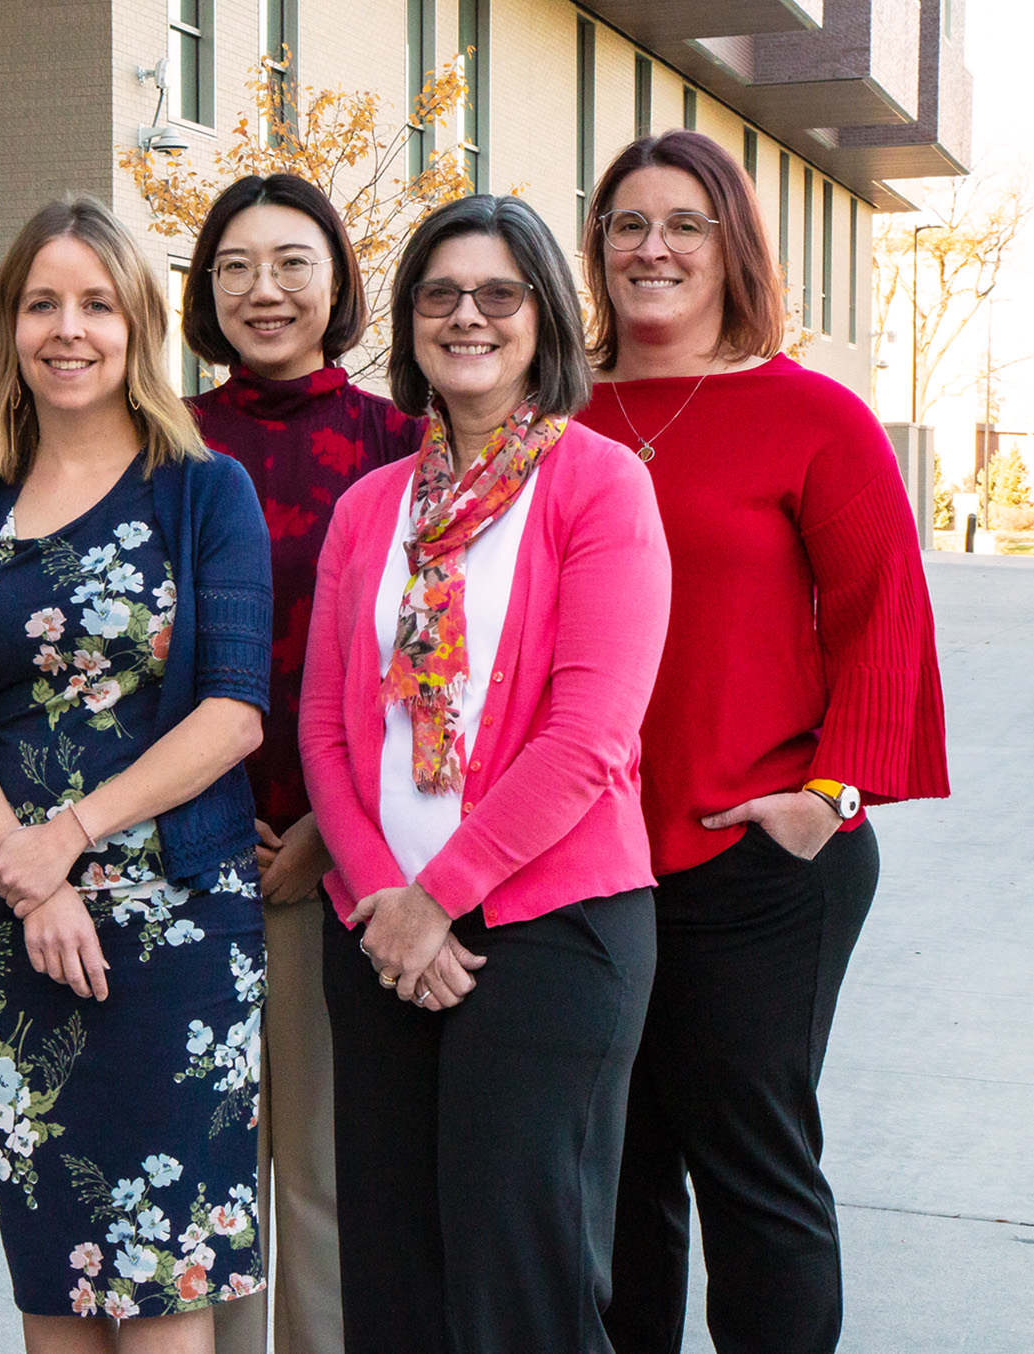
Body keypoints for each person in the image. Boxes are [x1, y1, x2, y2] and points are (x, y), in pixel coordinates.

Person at [576, 131, 949, 1354]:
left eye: (683, 223)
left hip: (756, 856)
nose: (652, 248)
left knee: (751, 1171)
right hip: (580, 865)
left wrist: (825, 796)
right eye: (627, 223)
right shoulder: (552, 412)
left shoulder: (812, 417)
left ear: (731, 244)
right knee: (617, 1179)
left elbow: (880, 621)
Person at [299, 194, 672, 1353]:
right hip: (374, 933)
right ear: (407, 320)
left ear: (542, 315)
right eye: (439, 294)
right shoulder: (371, 506)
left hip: (551, 932)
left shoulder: (599, 484)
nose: (467, 316)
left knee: (524, 1289)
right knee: (393, 1281)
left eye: (497, 294)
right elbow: (322, 724)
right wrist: (380, 903)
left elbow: (590, 733)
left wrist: (436, 897)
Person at [0, 194, 273, 1354]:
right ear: (9, 325)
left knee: (163, 1288)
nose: (68, 329)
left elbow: (233, 714)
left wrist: (65, 838)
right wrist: (34, 882)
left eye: (96, 304)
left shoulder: (202, 492)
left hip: (176, 927)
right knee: (56, 1289)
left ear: (138, 325)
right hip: (18, 933)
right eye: (41, 303)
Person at [178, 173, 412, 1354]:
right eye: (233, 266)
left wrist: (325, 827)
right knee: (205, 1181)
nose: (262, 291)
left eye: (291, 262)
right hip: (177, 861)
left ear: (338, 280)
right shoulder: (156, 441)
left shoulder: (403, 448)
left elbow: (418, 677)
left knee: (322, 1177)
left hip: (340, 865)